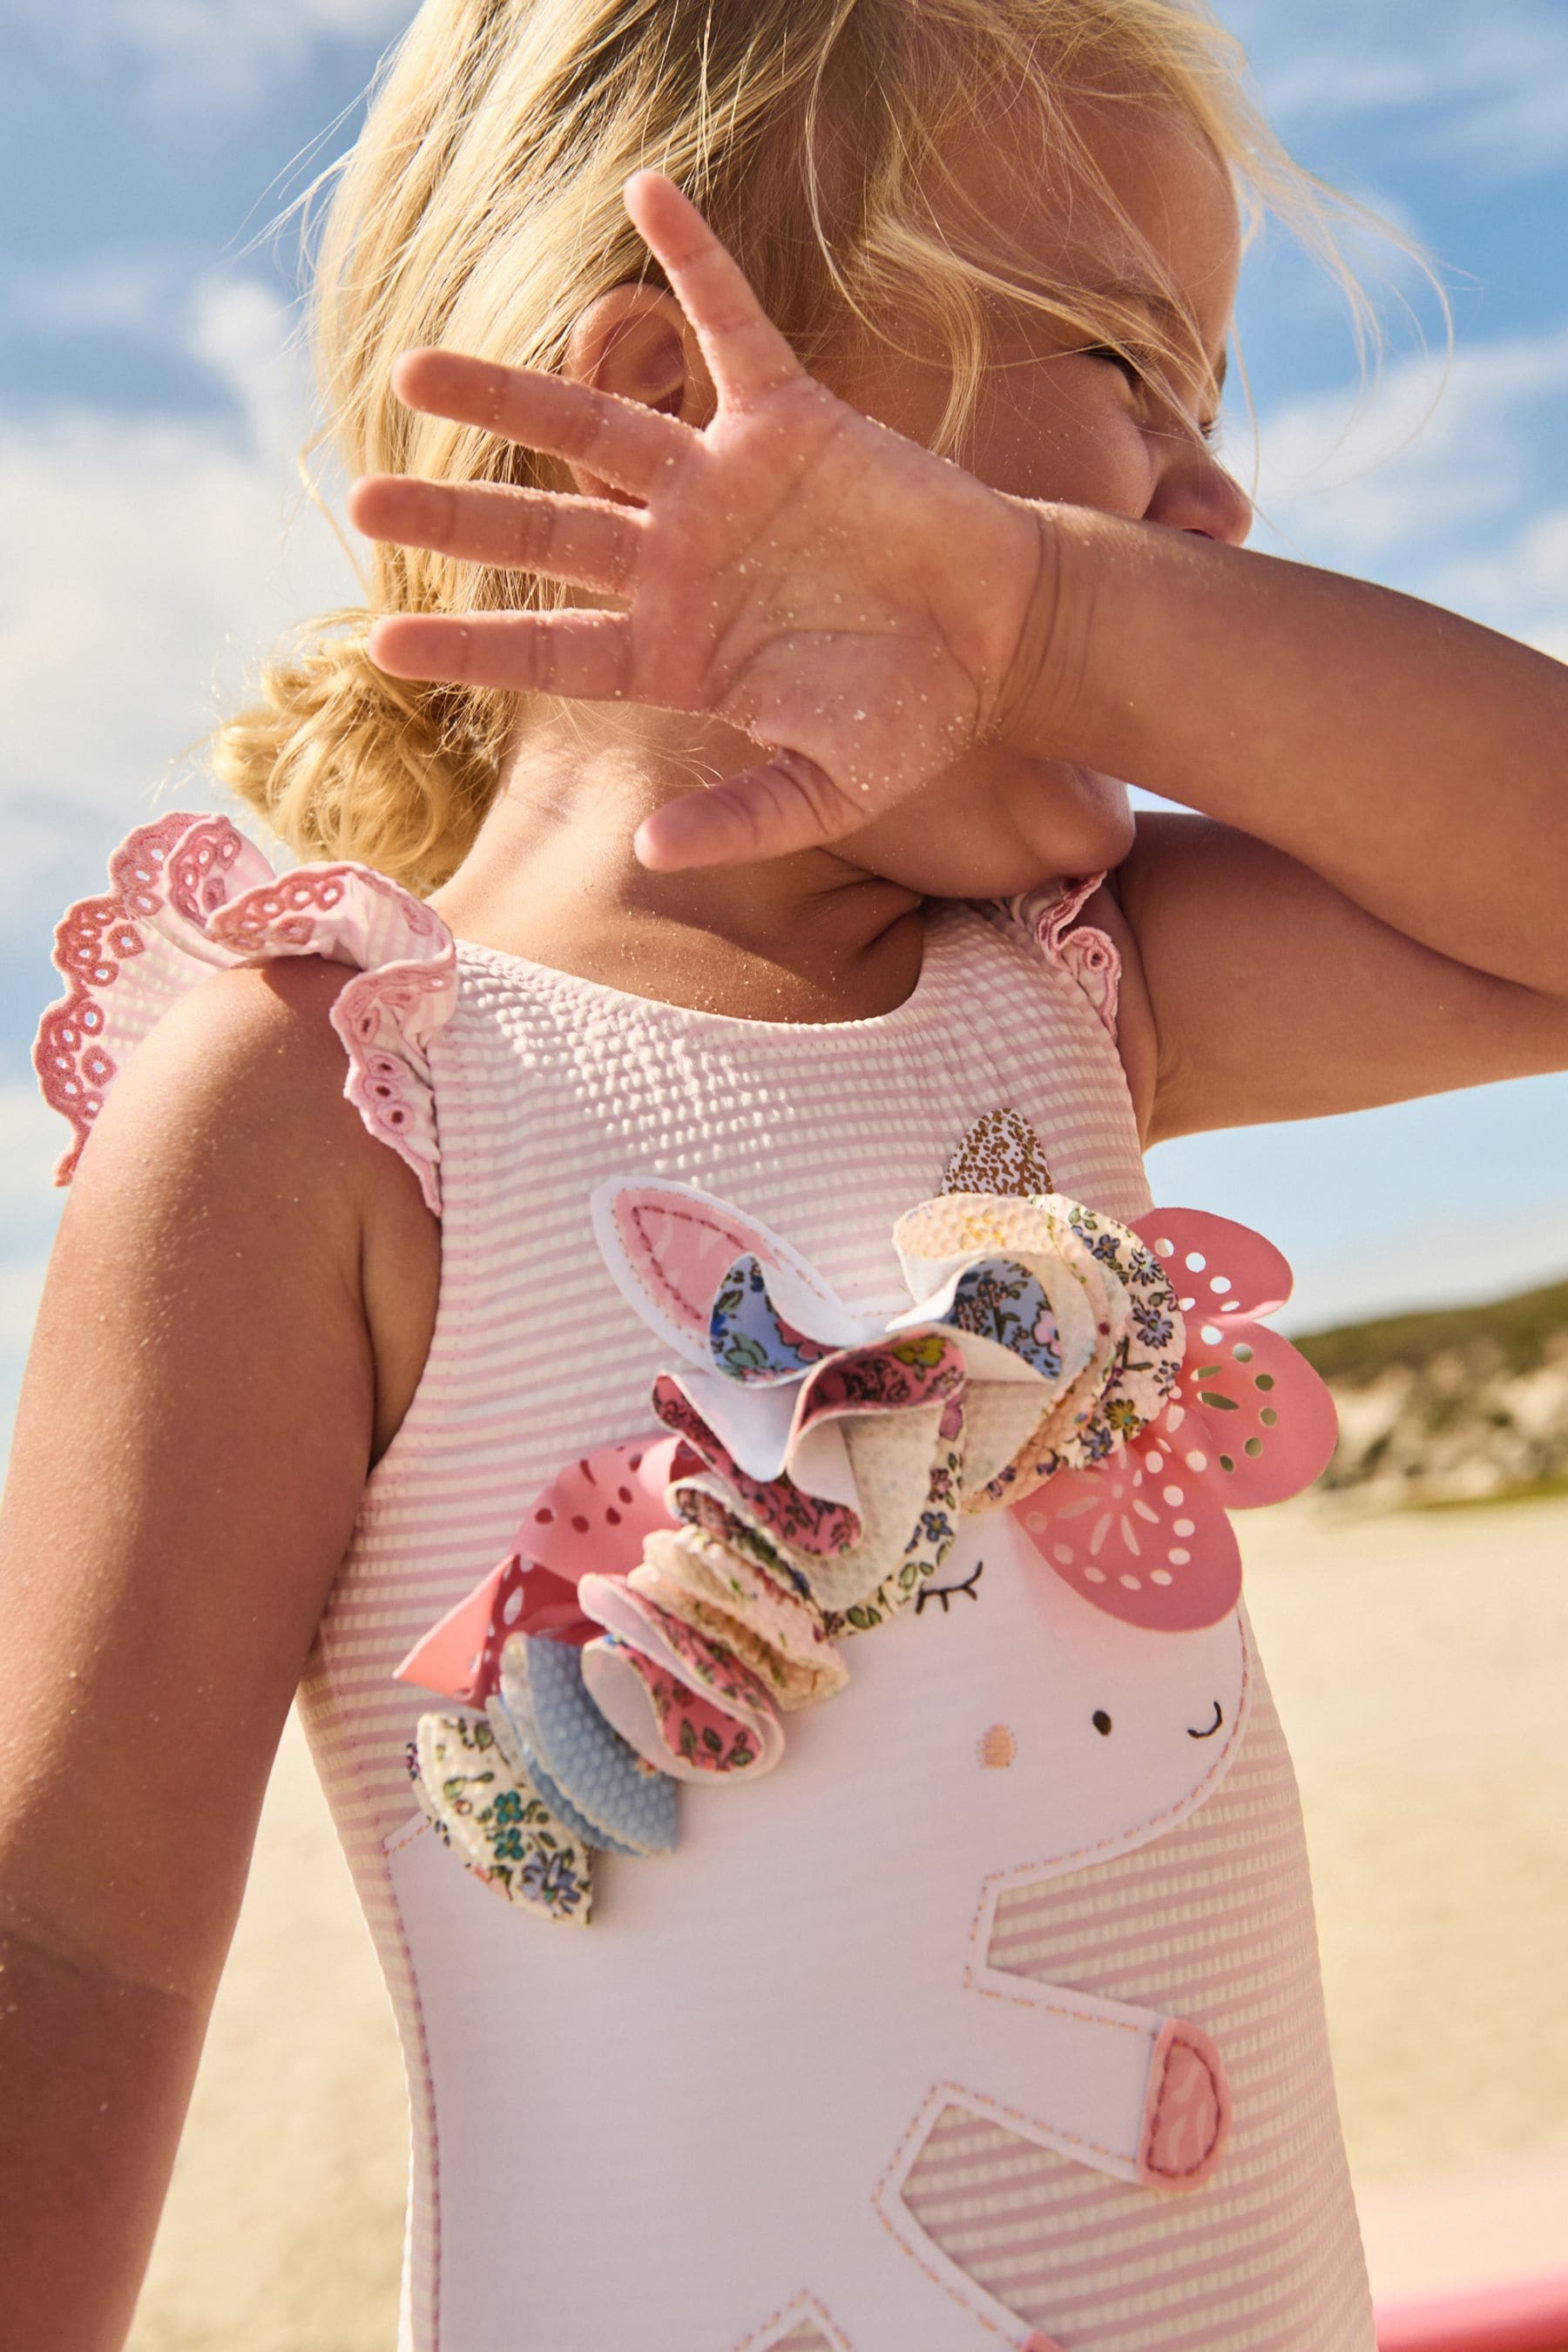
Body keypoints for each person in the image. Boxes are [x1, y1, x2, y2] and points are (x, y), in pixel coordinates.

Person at [4, 2, 1567, 2348]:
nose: (1222, 510)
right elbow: (73, 1938)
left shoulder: (1076, 997)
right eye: (1141, 381)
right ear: (667, 407)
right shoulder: (337, 1099)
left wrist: (1067, 611)